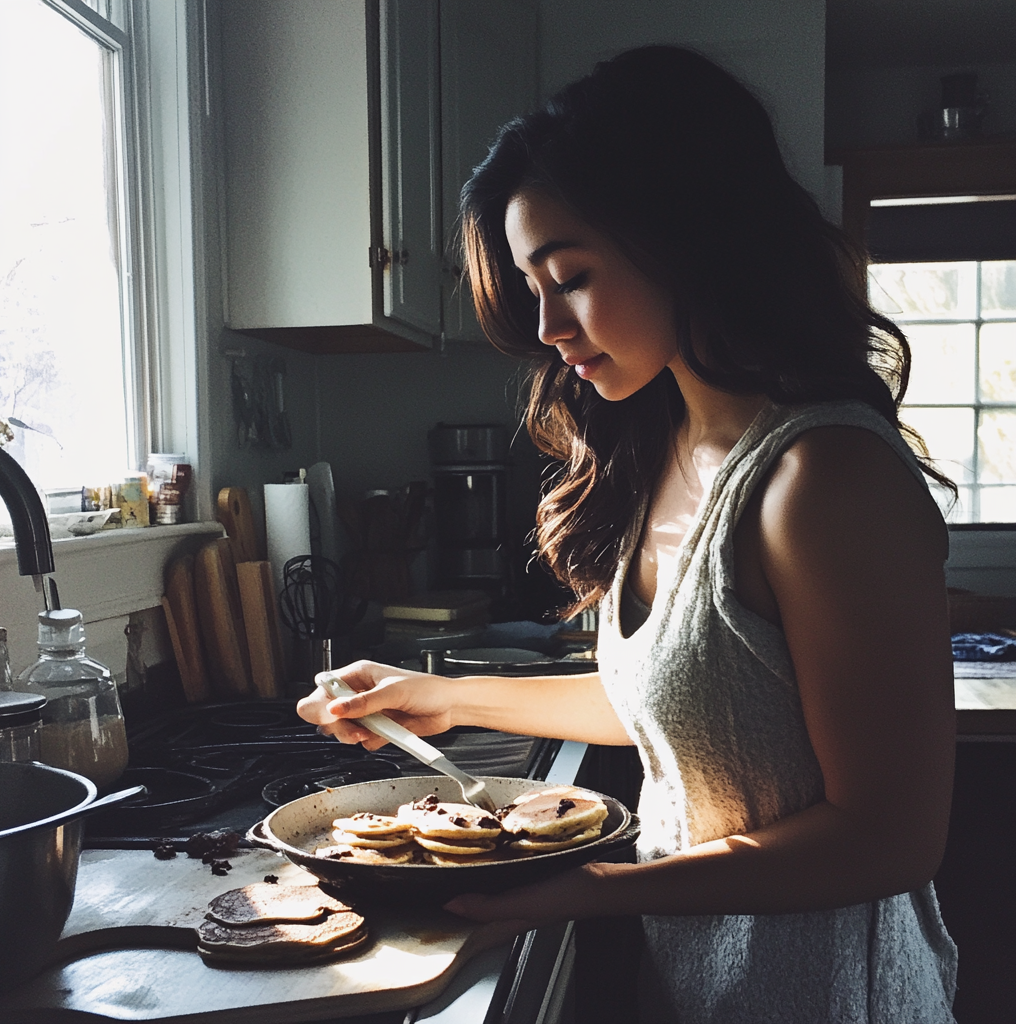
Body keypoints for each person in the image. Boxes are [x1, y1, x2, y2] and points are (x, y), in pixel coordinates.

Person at [298, 46, 958, 1023]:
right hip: (707, 982)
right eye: (532, 287)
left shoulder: (823, 480)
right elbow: (692, 707)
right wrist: (438, 694)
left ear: (684, 238)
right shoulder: (670, 445)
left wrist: (579, 889)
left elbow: (889, 837)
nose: (547, 325)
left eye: (568, 276)